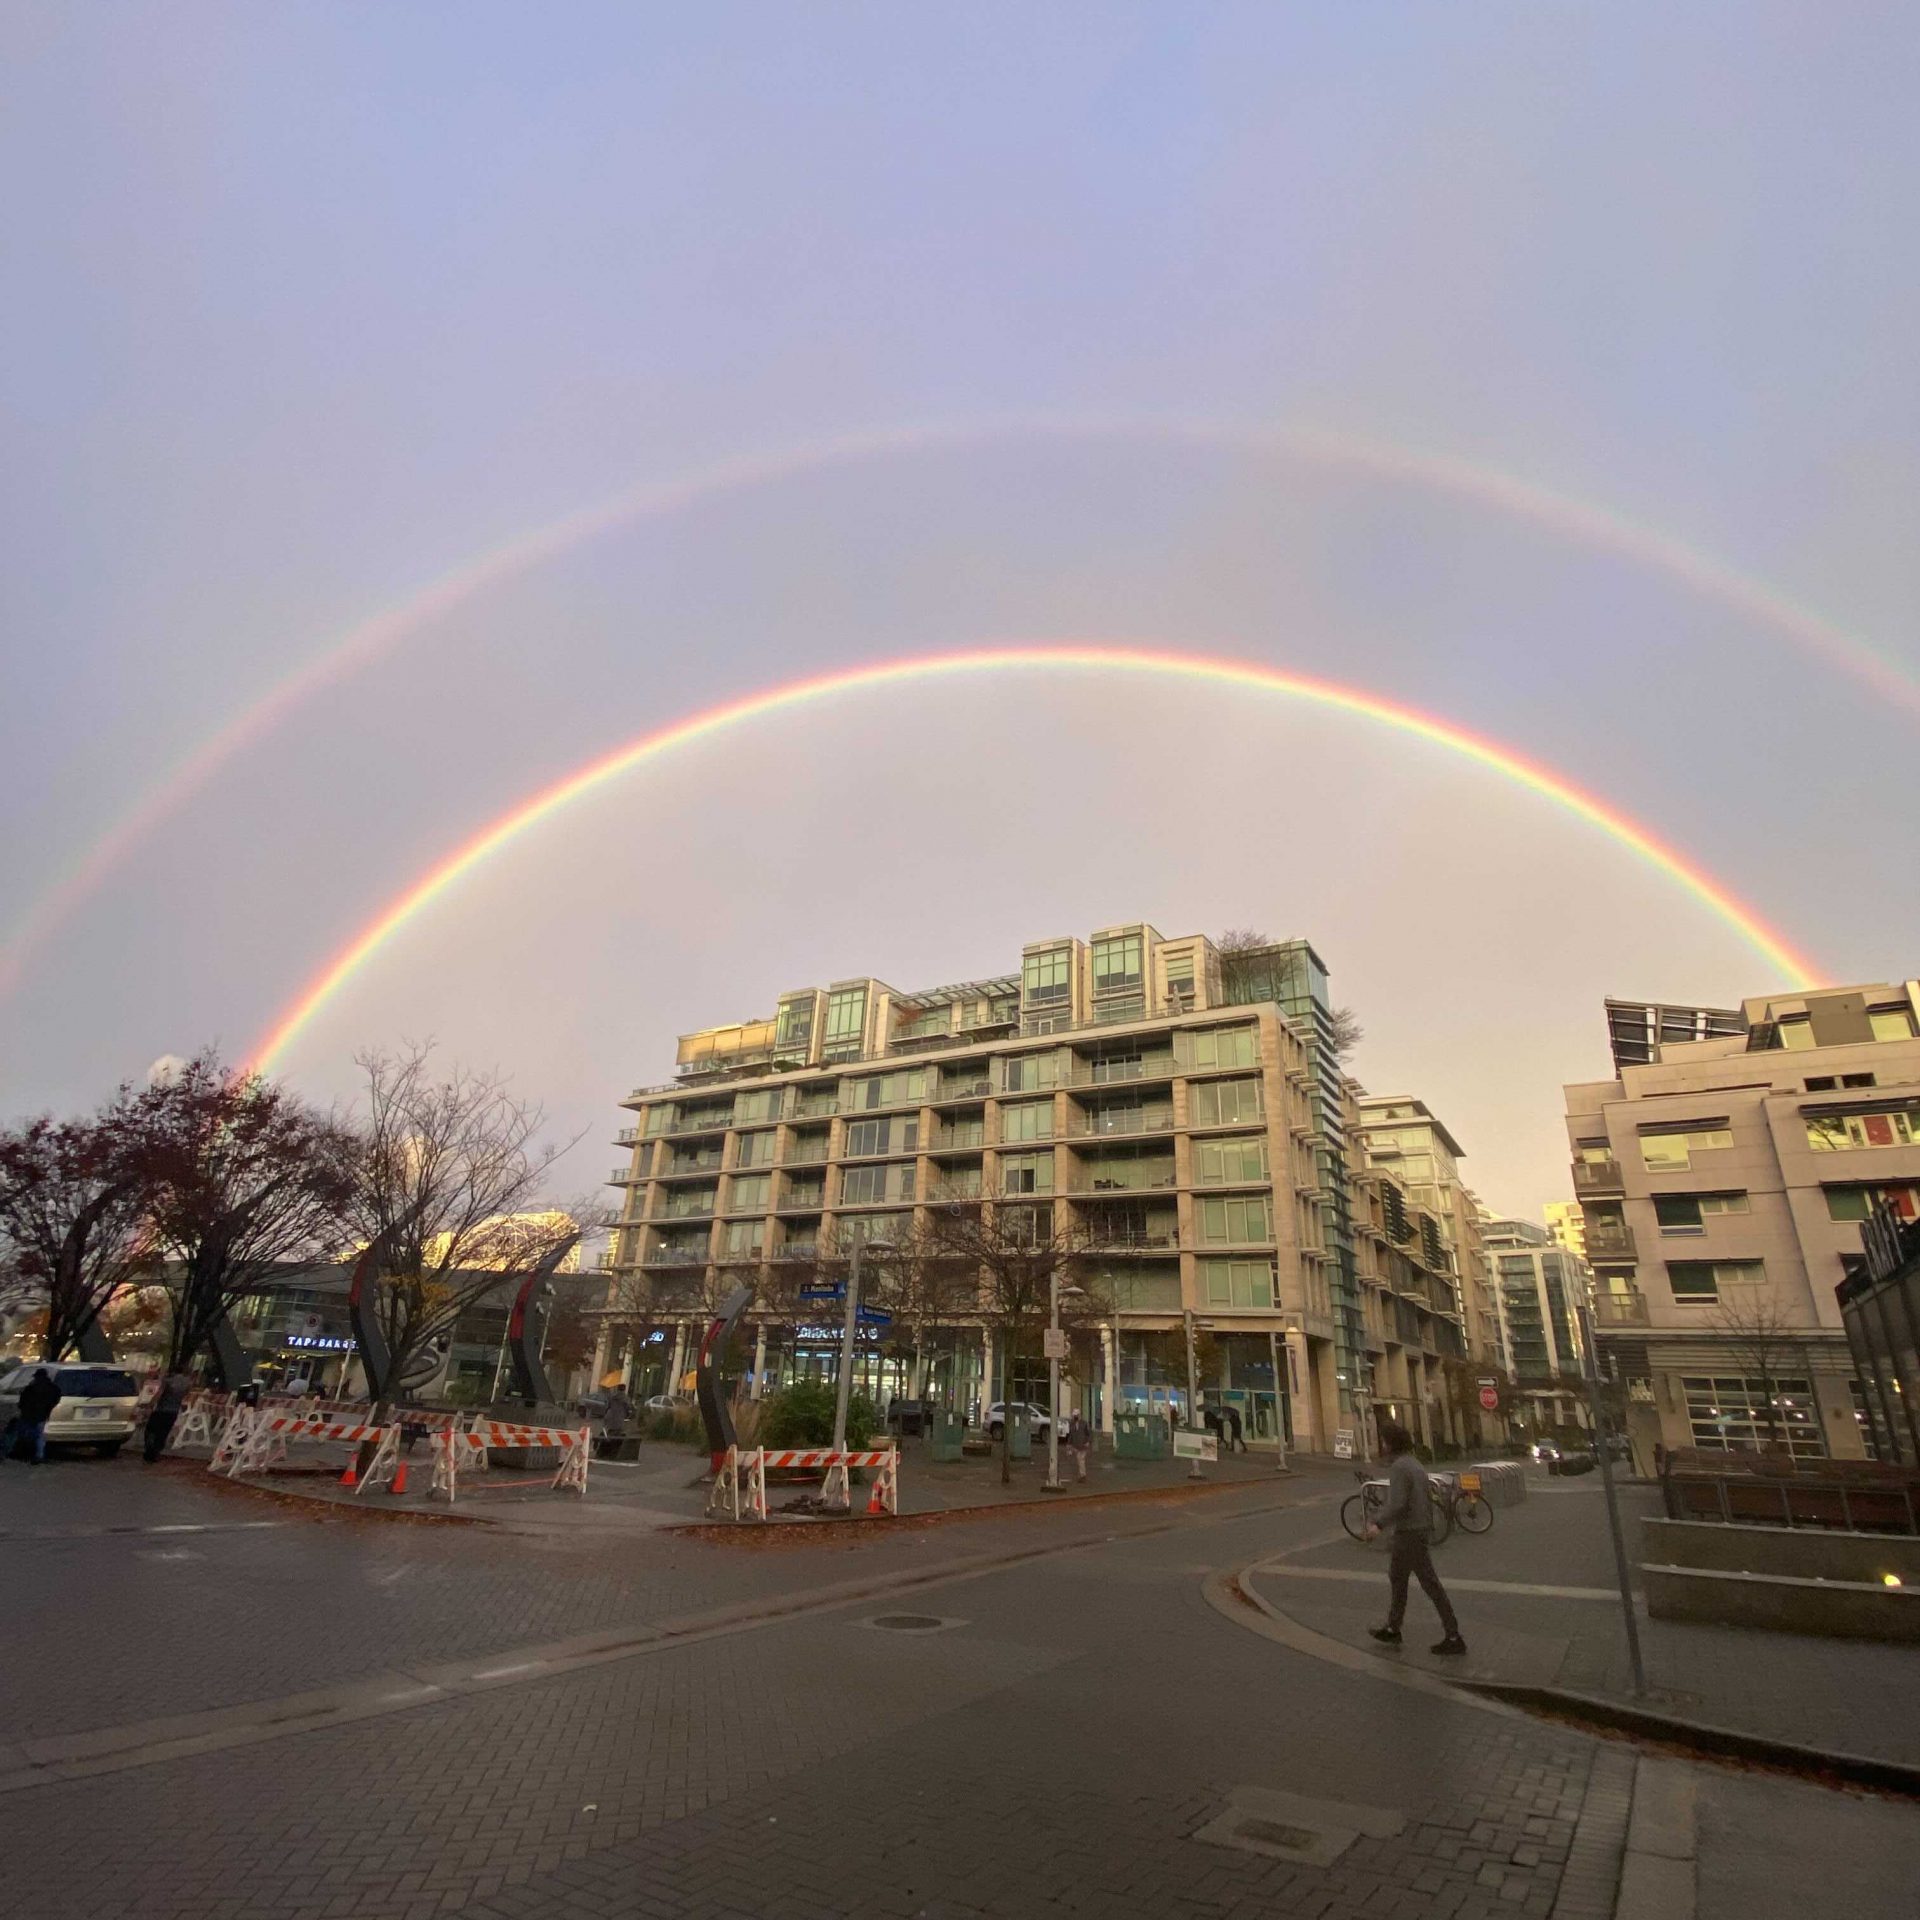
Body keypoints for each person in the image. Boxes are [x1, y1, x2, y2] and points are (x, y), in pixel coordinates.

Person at [1366, 1420, 1465, 1655]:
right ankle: (1393, 1627)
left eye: (1384, 1441)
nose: (1382, 1445)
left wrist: (1377, 1523)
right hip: (1417, 1529)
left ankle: (1453, 1635)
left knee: (1429, 1583)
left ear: (1390, 1444)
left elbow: (1398, 1503)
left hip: (1409, 1532)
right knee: (1398, 1578)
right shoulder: (1415, 1464)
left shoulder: (1400, 1468)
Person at [15, 1367, 62, 1466]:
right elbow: (56, 1399)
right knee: (39, 1436)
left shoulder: (31, 1388)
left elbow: (22, 1401)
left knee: (28, 1434)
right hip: (42, 1415)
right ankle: (39, 1455)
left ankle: (28, 1454)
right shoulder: (53, 1388)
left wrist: (23, 1410)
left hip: (29, 1415)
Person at [143, 1369, 193, 1463]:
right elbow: (187, 1395)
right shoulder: (187, 1383)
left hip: (161, 1409)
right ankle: (156, 1452)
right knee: (163, 1433)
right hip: (173, 1411)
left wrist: (150, 1404)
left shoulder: (168, 1381)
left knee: (151, 1430)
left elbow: (159, 1394)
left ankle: (149, 1450)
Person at [599, 1386, 633, 1459]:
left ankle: (604, 1452)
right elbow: (628, 1409)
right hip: (619, 1418)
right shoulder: (626, 1398)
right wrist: (628, 1415)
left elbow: (608, 1406)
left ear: (618, 1389)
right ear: (624, 1389)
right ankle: (613, 1453)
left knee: (609, 1434)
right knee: (618, 1435)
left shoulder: (612, 1397)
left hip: (611, 1417)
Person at [1065, 1410, 1092, 1482]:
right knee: (1079, 1460)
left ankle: (1082, 1475)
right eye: (1074, 1416)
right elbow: (1071, 1435)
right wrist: (1069, 1444)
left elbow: (1088, 1433)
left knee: (1081, 1459)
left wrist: (1088, 1441)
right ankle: (1081, 1474)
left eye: (1076, 1416)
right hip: (1076, 1445)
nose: (1074, 1417)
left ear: (1079, 1415)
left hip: (1083, 1444)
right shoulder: (1072, 1423)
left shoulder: (1084, 1423)